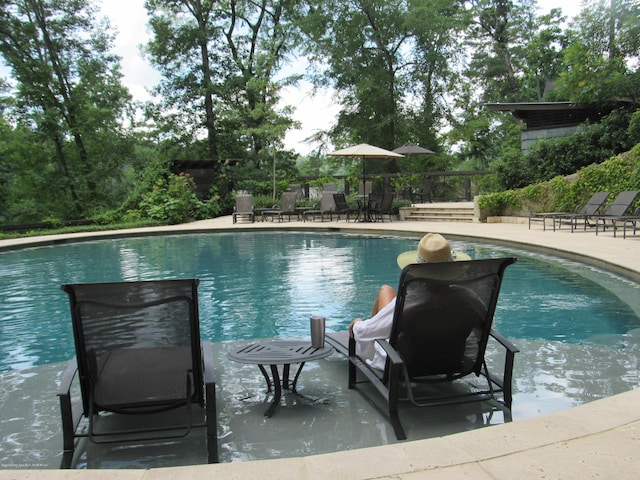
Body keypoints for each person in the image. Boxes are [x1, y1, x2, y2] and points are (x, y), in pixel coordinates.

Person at [348, 233, 470, 371]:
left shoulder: (410, 302)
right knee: (386, 290)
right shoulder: (468, 298)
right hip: (450, 361)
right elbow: (483, 326)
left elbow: (365, 332)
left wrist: (357, 323)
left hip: (404, 364)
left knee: (384, 294)